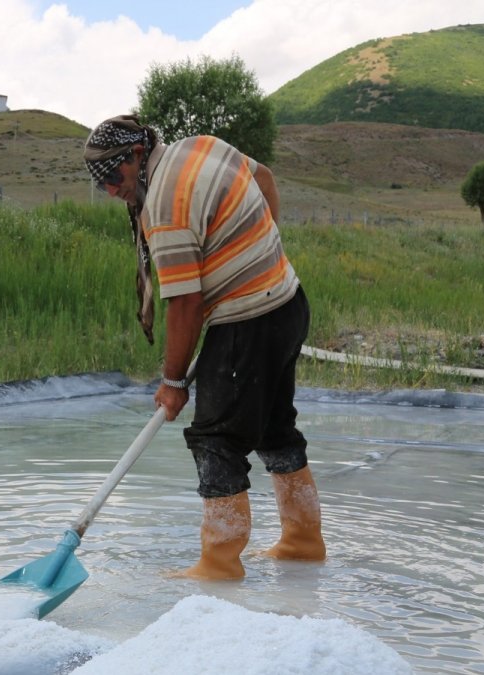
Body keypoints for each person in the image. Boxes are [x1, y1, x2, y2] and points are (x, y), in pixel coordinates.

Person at [83, 114, 326, 580]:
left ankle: (219, 565)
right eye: (102, 186)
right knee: (276, 430)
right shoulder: (200, 146)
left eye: (114, 177)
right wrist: (260, 249)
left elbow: (186, 305)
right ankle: (303, 542)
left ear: (137, 156)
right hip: (288, 303)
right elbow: (265, 178)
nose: (112, 190)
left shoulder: (165, 206)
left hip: (247, 322)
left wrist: (173, 383)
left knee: (217, 441)